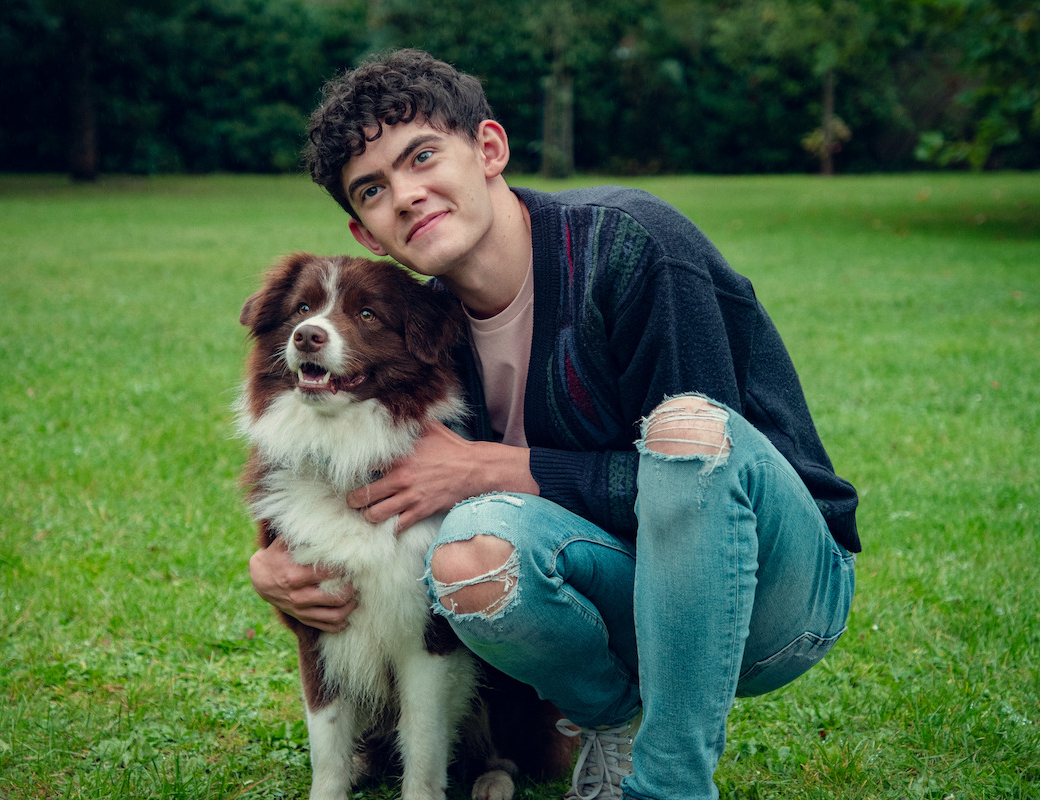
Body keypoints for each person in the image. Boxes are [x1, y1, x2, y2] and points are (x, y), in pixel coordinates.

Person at [248, 49, 859, 800]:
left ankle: (667, 786)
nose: (406, 195)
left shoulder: (634, 246)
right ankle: (610, 720)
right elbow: (351, 497)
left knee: (684, 430)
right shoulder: (419, 336)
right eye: (374, 189)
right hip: (626, 600)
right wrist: (270, 566)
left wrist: (493, 469)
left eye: (424, 156)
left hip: (773, 596)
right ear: (366, 231)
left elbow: (707, 477)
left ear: (491, 149)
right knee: (469, 556)